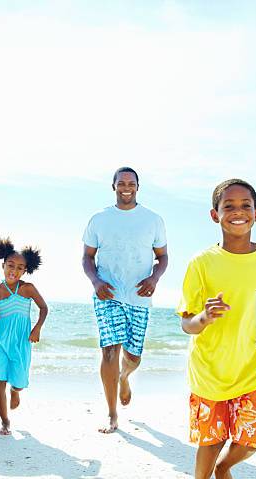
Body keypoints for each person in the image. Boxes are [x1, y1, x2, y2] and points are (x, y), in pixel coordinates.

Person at [178, 179, 256, 479]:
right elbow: (186, 322)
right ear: (215, 215)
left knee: (255, 435)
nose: (237, 212)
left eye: (245, 206)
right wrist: (203, 318)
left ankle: (224, 468)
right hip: (209, 370)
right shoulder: (201, 262)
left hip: (249, 369)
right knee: (210, 441)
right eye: (228, 206)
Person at [82, 166, 168, 433]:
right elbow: (87, 257)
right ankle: (111, 414)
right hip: (108, 292)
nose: (126, 187)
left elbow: (162, 258)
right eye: (121, 183)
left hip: (139, 296)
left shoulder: (153, 220)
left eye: (131, 183)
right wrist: (96, 281)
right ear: (114, 186)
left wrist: (154, 280)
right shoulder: (99, 219)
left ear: (138, 187)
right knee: (109, 349)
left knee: (133, 357)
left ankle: (124, 377)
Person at [0, 238, 48, 435]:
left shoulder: (28, 288)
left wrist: (37, 328)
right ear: (3, 266)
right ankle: (5, 422)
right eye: (11, 265)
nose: (14, 270)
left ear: (25, 270)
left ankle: (15, 391)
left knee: (19, 381)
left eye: (20, 267)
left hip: (21, 342)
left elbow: (44, 308)